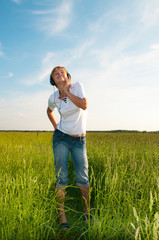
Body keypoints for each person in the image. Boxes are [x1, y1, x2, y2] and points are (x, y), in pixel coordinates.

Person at [47, 66, 91, 230]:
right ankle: (61, 214)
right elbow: (49, 111)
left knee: (83, 177)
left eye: (61, 72)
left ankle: (87, 211)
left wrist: (66, 90)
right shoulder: (53, 97)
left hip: (79, 140)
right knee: (61, 177)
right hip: (61, 138)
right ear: (53, 80)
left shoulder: (77, 86)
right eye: (55, 73)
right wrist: (55, 126)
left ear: (67, 76)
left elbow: (84, 105)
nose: (58, 74)